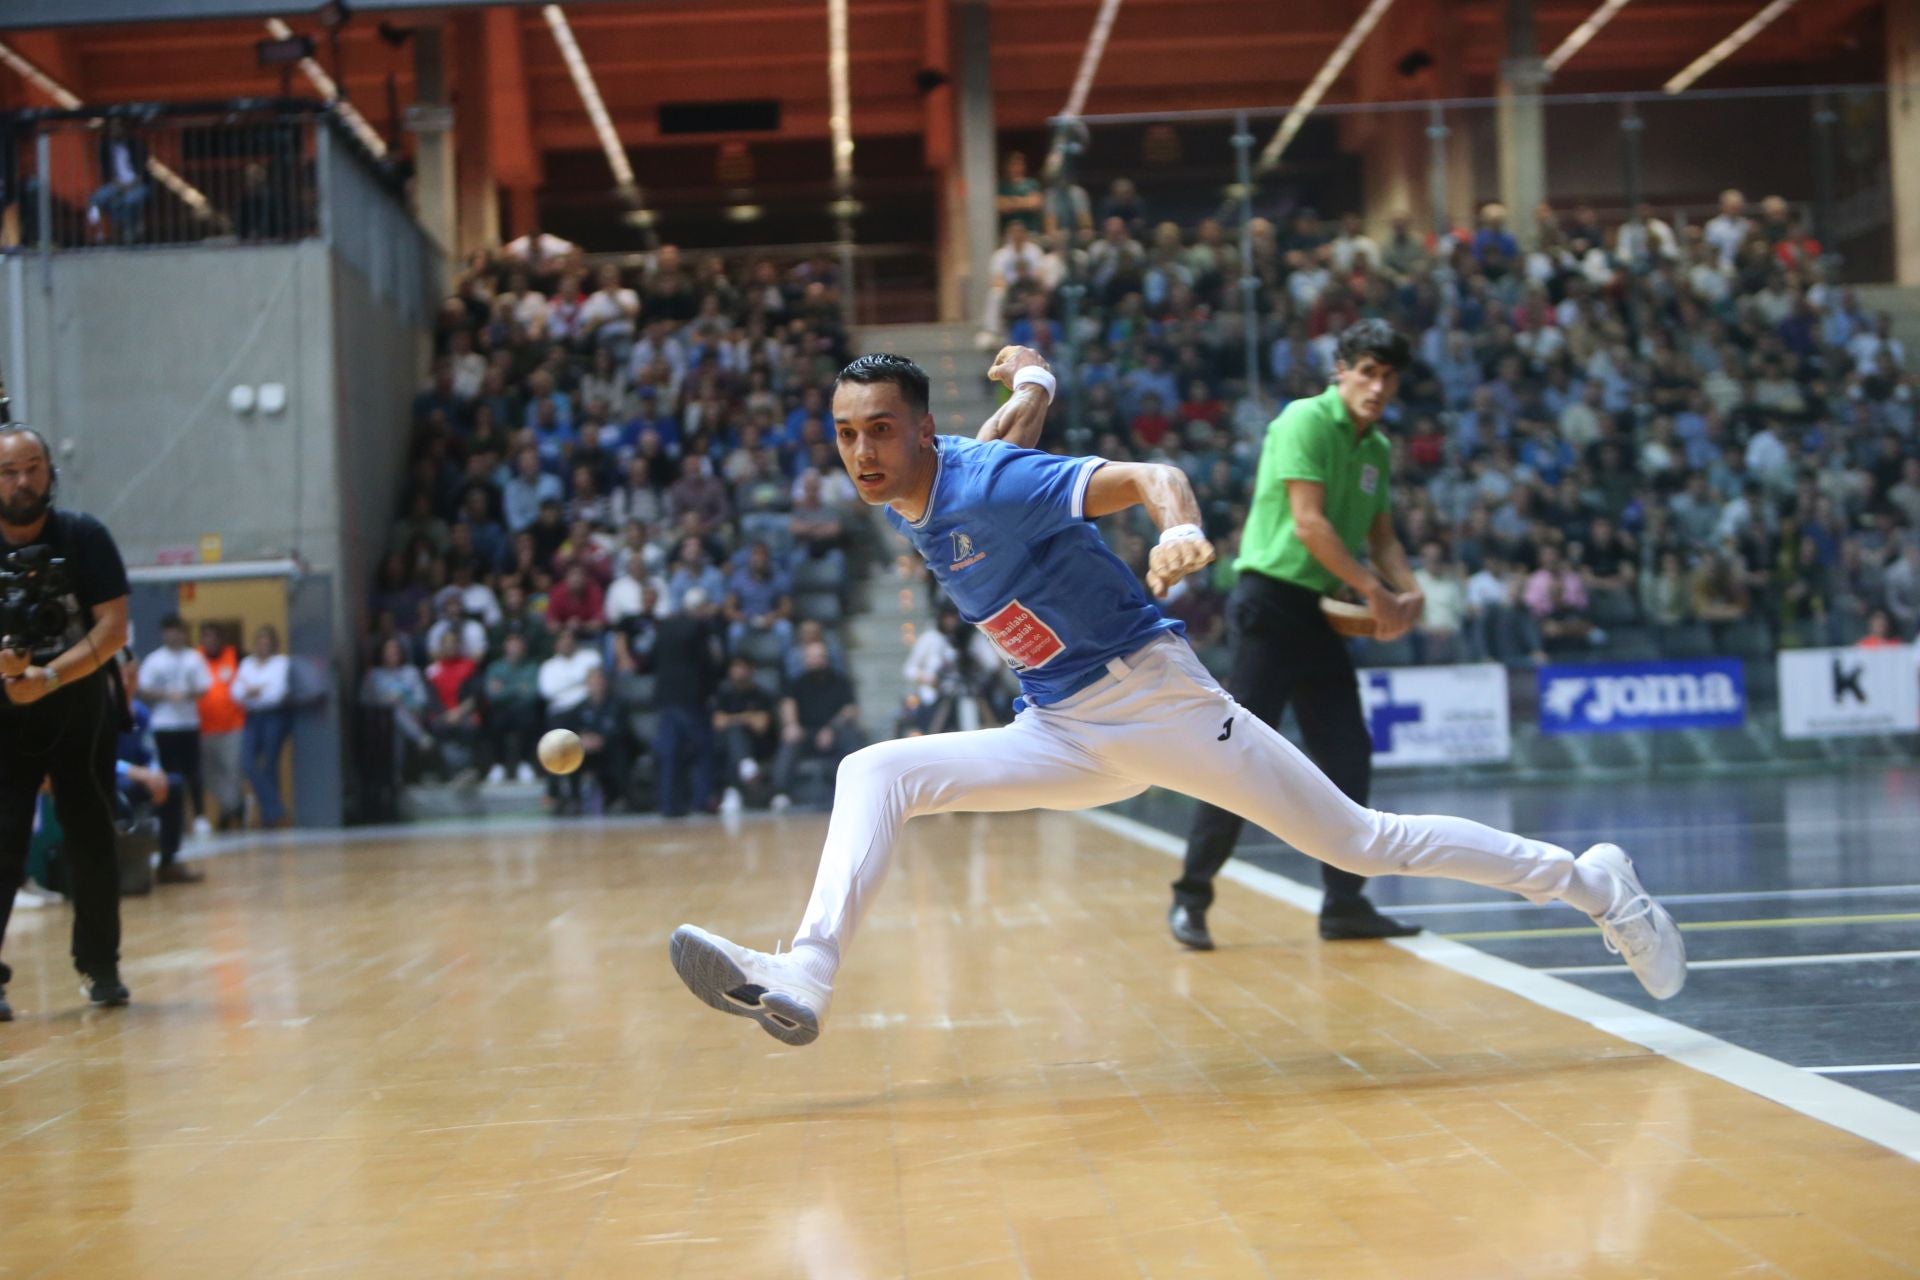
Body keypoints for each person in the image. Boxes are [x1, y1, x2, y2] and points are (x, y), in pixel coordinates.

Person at [668, 352, 1686, 1048]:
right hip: (1062, 730)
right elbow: (1001, 432)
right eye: (845, 435)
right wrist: (1034, 376)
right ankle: (806, 972)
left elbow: (1153, 473)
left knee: (1363, 842)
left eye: (880, 431)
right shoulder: (928, 483)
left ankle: (1595, 882)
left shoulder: (985, 486)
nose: (860, 453)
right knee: (873, 770)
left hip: (1157, 702)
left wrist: (1177, 528)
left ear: (921, 432)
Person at [1171, 321, 1426, 948]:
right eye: (1366, 371)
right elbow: (1310, 526)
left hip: (1319, 609)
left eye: (1388, 376)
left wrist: (1408, 590)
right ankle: (1191, 897)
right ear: (1340, 370)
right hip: (1269, 605)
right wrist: (1376, 593)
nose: (1377, 386)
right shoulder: (1302, 422)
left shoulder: (1377, 450)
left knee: (1346, 754)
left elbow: (1383, 536)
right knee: (1236, 759)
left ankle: (1344, 904)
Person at [0, 423, 135, 1016]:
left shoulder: (84, 536)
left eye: (32, 467)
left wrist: (49, 677)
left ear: (51, 472)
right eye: (8, 471)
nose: (21, 481)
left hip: (79, 706)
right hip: (5, 713)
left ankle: (101, 967)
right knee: (1, 844)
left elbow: (113, 629)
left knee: (91, 839)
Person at [770, 639, 863, 810]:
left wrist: (831, 729)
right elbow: (788, 704)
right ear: (805, 659)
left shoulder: (840, 681)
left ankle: (856, 788)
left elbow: (850, 710)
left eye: (820, 656)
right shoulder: (797, 683)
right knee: (789, 739)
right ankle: (780, 793)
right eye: (812, 657)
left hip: (833, 733)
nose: (816, 660)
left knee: (851, 735)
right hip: (806, 733)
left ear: (826, 658)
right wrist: (791, 724)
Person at [138, 614, 211, 828]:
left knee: (193, 772)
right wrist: (166, 695)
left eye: (178, 630)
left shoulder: (194, 658)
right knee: (166, 772)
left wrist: (186, 695)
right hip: (164, 725)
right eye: (170, 630)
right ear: (164, 633)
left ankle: (199, 817)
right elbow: (145, 689)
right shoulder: (155, 659)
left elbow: (203, 687)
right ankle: (166, 816)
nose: (174, 635)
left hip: (188, 724)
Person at [232, 625, 293, 828]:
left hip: (274, 717)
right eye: (260, 642)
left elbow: (277, 693)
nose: (263, 645)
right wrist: (259, 689)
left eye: (267, 642)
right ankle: (276, 809)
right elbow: (236, 693)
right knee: (247, 763)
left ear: (273, 644)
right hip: (252, 717)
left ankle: (270, 818)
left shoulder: (281, 663)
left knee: (270, 765)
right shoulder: (247, 663)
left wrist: (254, 690)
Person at [196, 622, 247, 831]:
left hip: (232, 726)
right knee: (208, 775)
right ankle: (235, 806)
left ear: (220, 639)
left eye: (213, 636)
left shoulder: (235, 655)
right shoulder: (195, 657)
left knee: (232, 772)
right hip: (203, 727)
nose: (210, 641)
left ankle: (228, 813)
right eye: (206, 636)